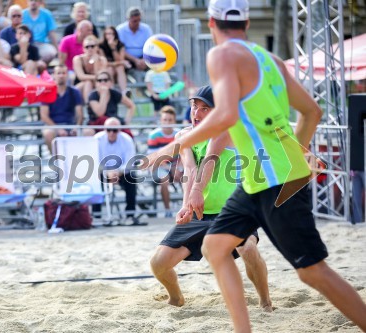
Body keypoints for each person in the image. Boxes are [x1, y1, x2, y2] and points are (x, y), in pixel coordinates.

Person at [145, 1, 366, 331]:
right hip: (258, 182)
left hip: (276, 180)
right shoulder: (271, 60)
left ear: (211, 23)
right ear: (247, 22)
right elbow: (313, 112)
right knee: (215, 247)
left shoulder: (221, 55)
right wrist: (297, 153)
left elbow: (226, 116)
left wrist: (174, 145)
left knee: (311, 271)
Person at [150, 86, 272, 311]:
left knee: (249, 250)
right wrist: (186, 205)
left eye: (204, 108)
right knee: (158, 264)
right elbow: (190, 170)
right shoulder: (183, 136)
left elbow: (210, 159)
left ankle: (265, 302)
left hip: (234, 211)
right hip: (200, 212)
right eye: (194, 106)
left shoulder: (227, 130)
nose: (196, 113)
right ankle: (176, 298)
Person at [94, 117, 139, 224]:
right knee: (95, 181)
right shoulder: (96, 139)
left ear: (119, 130)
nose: (111, 133)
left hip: (122, 172)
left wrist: (117, 172)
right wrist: (108, 173)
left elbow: (130, 162)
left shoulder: (127, 139)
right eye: (109, 130)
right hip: (102, 172)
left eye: (115, 130)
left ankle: (130, 214)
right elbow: (94, 161)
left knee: (131, 179)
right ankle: (96, 216)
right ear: (104, 129)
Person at [40, 65, 86, 153]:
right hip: (53, 125)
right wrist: (58, 128)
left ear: (67, 75)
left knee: (89, 132)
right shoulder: (47, 92)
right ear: (53, 75)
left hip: (70, 124)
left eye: (64, 73)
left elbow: (80, 114)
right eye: (58, 73)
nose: (61, 75)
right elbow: (44, 116)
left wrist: (77, 127)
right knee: (48, 134)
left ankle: (80, 160)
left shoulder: (75, 92)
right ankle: (56, 161)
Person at [147, 106, 181, 218]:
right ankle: (168, 210)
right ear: (161, 121)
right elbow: (156, 158)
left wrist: (177, 168)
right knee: (164, 180)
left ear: (174, 121)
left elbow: (184, 155)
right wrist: (172, 169)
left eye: (170, 120)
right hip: (158, 166)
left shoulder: (179, 134)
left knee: (190, 175)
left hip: (176, 164)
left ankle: (189, 207)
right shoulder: (154, 135)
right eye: (165, 120)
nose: (167, 122)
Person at [87, 70, 135, 136]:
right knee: (104, 120)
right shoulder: (93, 95)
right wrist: (103, 94)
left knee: (127, 133)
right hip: (97, 124)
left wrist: (127, 121)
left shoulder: (114, 93)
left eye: (105, 80)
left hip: (113, 122)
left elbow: (131, 105)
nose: (102, 82)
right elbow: (100, 113)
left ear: (111, 82)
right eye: (99, 80)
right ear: (96, 83)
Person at [72, 34, 107, 102]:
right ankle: (89, 105)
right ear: (83, 48)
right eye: (87, 47)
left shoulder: (102, 60)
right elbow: (81, 76)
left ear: (97, 47)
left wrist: (96, 62)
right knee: (88, 82)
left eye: (92, 46)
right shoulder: (78, 59)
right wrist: (95, 77)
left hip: (97, 85)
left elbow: (101, 77)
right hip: (81, 84)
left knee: (99, 84)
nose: (90, 49)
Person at [116, 7, 152, 71]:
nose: (137, 23)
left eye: (139, 20)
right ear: (128, 19)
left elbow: (150, 47)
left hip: (144, 58)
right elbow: (120, 49)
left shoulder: (146, 29)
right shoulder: (120, 30)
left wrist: (144, 59)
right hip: (127, 58)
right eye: (135, 21)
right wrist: (135, 60)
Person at [22, 0, 58, 64]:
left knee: (51, 52)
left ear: (40, 2)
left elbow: (51, 32)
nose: (33, 2)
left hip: (42, 44)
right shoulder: (22, 14)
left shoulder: (46, 14)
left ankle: (39, 66)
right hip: (26, 44)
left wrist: (57, 48)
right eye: (31, 0)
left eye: (36, 0)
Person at [99, 26, 129, 94]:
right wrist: (117, 63)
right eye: (107, 34)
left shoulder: (120, 45)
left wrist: (113, 48)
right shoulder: (101, 45)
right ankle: (111, 91)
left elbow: (120, 60)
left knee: (120, 68)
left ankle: (124, 91)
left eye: (111, 34)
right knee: (110, 69)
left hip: (118, 70)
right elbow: (104, 62)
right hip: (108, 70)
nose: (109, 36)